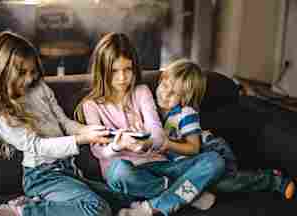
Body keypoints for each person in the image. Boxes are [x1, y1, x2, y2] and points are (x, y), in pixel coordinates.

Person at [74, 32, 225, 216]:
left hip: (159, 166)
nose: (122, 77)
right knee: (119, 172)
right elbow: (98, 151)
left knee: (214, 161)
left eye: (127, 69)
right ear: (103, 70)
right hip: (128, 173)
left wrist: (145, 143)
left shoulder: (141, 91)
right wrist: (117, 145)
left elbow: (157, 133)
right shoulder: (90, 106)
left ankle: (154, 206)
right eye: (114, 71)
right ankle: (187, 195)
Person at [0, 31, 116, 216]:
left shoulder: (39, 88)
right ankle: (21, 211)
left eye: (32, 71)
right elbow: (37, 146)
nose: (29, 79)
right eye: (22, 72)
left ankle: (42, 203)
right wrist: (82, 139)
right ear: (2, 71)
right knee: (97, 209)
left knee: (119, 199)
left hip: (68, 169)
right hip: (42, 176)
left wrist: (89, 130)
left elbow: (64, 123)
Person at [155, 58, 296, 200]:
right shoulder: (155, 107)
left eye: (174, 93)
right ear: (161, 79)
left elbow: (194, 148)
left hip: (212, 151)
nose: (165, 94)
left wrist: (168, 144)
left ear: (185, 100)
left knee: (223, 184)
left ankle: (273, 180)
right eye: (165, 85)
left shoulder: (186, 114)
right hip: (193, 162)